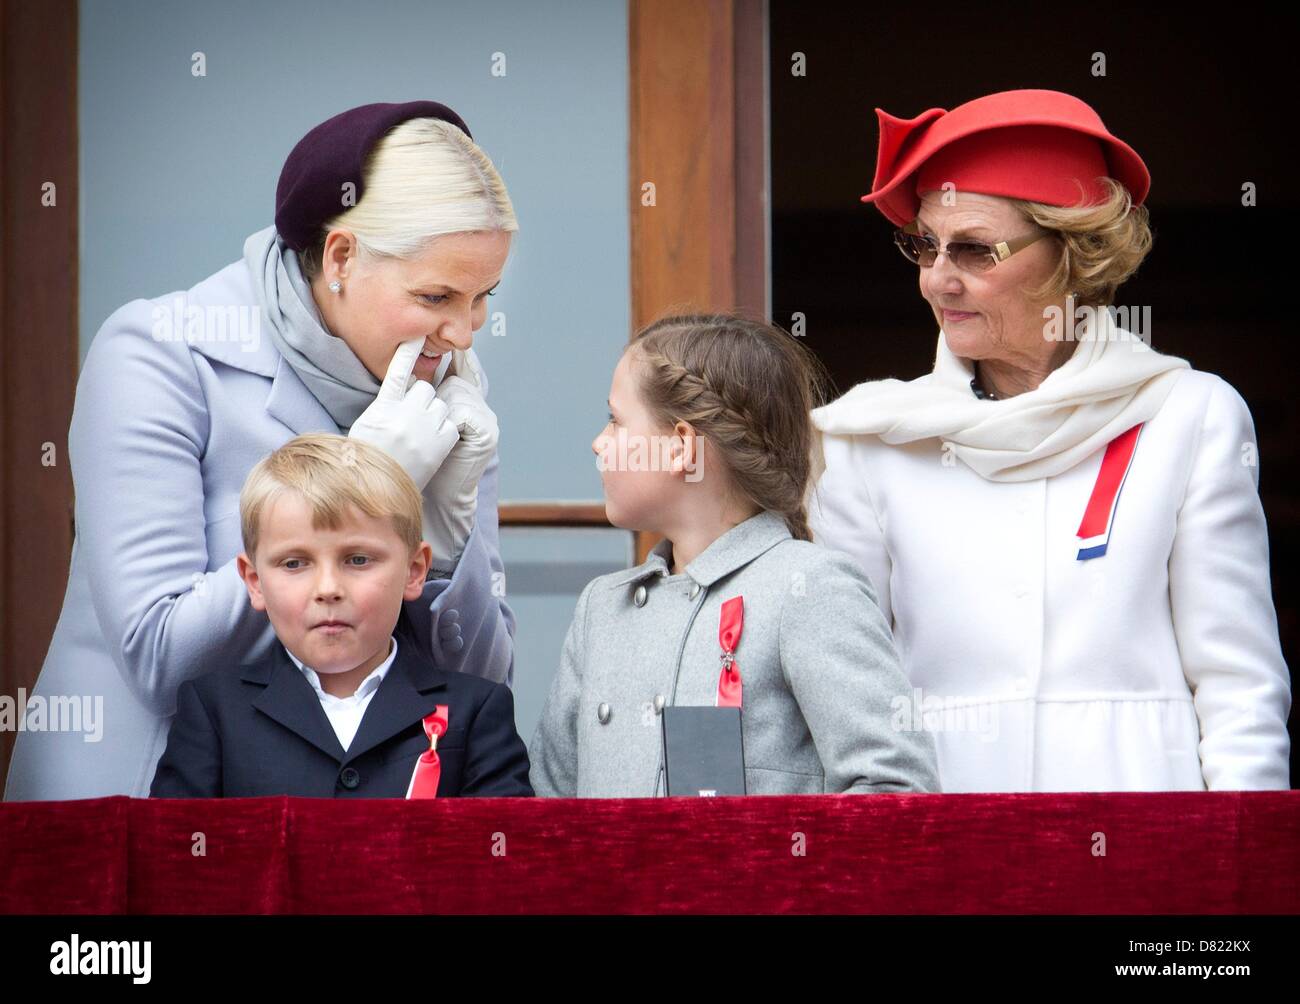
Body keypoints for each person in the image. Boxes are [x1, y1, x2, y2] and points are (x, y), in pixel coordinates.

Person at [6, 101, 518, 801]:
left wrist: (449, 540)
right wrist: (370, 480)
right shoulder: (160, 355)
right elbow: (161, 662)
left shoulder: (446, 400)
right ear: (340, 257)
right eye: (436, 295)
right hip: (136, 811)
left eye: (483, 296)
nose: (463, 332)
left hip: (343, 836)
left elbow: (480, 689)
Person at [809, 88, 1291, 791]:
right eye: (923, 246)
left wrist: (1239, 862)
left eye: (974, 249)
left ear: (1073, 254)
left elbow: (1238, 683)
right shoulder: (869, 442)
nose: (938, 279)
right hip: (940, 844)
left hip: (1147, 848)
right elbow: (843, 696)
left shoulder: (1191, 415)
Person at [529, 314, 940, 797]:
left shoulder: (808, 588)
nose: (599, 443)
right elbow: (546, 807)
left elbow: (895, 788)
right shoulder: (602, 607)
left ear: (682, 446)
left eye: (616, 421)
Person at [150, 434, 532, 798]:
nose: (328, 588)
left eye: (358, 560)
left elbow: (510, 856)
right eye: (295, 563)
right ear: (255, 582)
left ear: (414, 571)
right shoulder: (213, 711)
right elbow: (173, 857)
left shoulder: (478, 711)